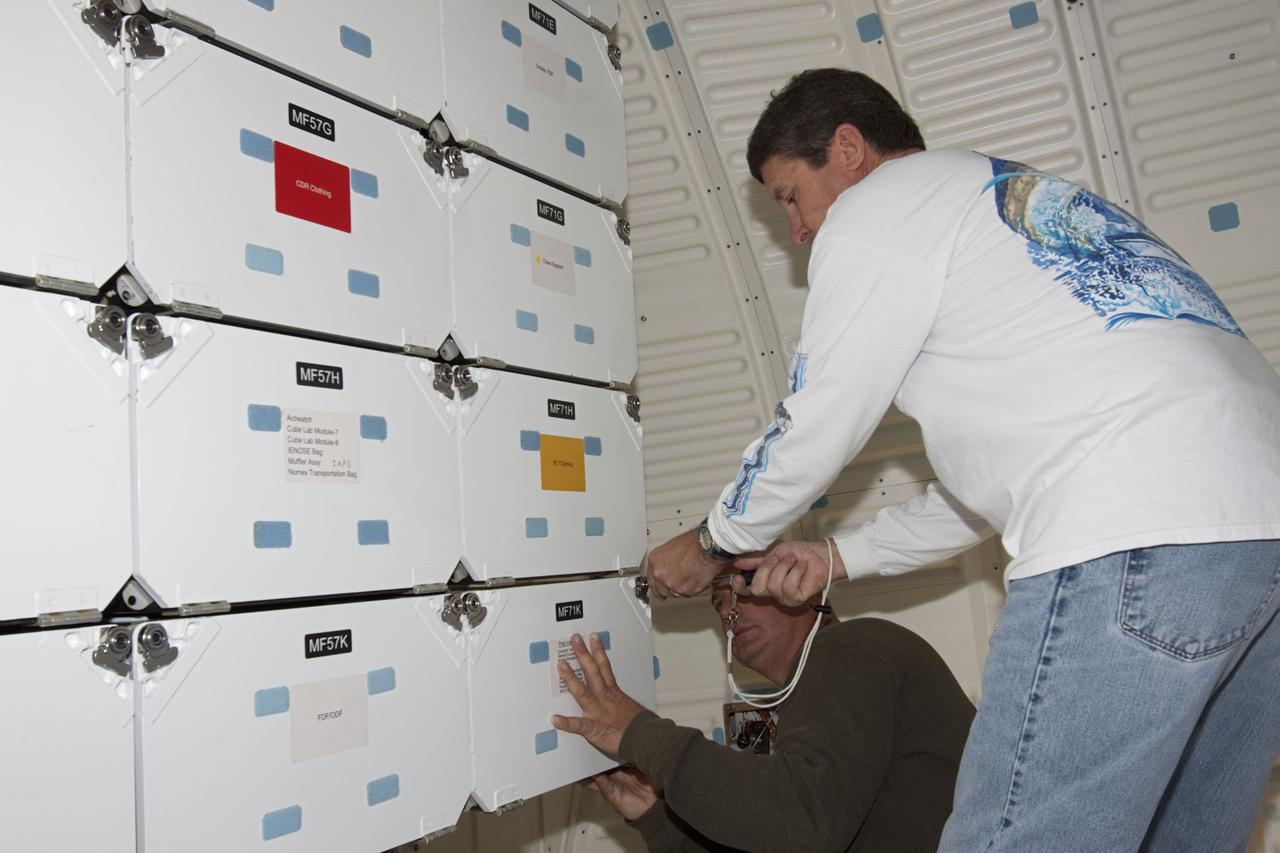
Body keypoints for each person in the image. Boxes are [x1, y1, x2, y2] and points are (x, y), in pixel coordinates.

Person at [640, 68, 1280, 852]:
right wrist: (837, 556)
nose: (799, 231)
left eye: (789, 198)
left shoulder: (881, 206)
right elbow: (987, 491)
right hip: (1256, 542)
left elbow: (817, 415)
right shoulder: (1000, 210)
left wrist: (713, 541)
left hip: (1127, 532)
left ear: (847, 150)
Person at [550, 581, 974, 852]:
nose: (729, 612)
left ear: (806, 590)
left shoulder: (851, 649)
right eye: (719, 602)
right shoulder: (805, 698)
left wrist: (639, 733)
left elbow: (803, 822)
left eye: (744, 588)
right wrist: (655, 816)